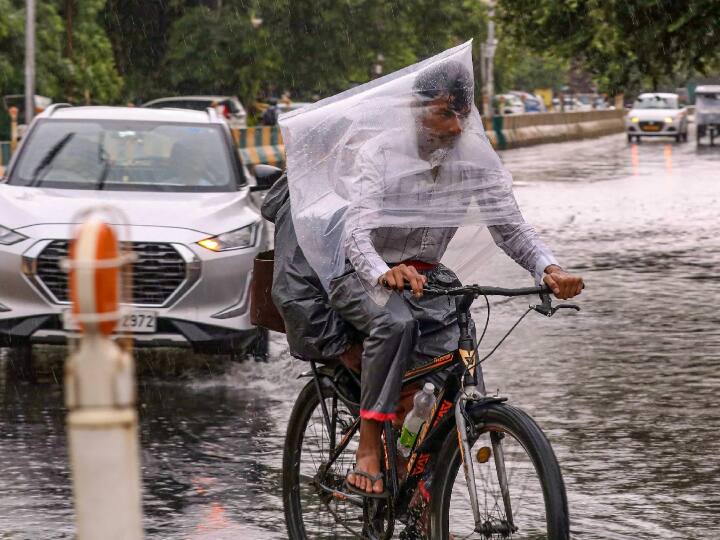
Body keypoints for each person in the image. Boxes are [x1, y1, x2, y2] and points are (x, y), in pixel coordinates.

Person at [279, 43, 583, 498]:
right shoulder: (380, 154)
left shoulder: (475, 158)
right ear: (416, 111)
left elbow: (511, 228)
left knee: (451, 358)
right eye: (445, 114)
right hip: (359, 272)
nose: (456, 127)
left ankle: (421, 485)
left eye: (463, 115)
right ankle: (367, 448)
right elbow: (356, 234)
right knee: (395, 323)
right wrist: (384, 272)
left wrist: (549, 268)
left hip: (424, 276)